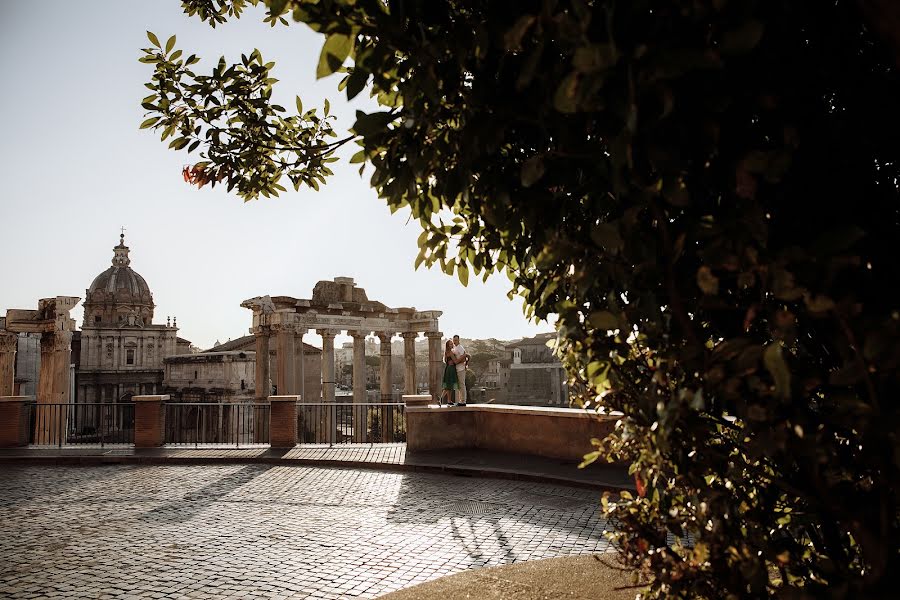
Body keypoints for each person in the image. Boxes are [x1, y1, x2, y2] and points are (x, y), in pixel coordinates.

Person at [439, 339, 461, 406]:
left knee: (449, 386)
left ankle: (447, 400)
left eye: (452, 344)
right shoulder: (450, 352)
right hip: (451, 369)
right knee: (450, 386)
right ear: (448, 346)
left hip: (448, 368)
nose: (452, 345)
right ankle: (441, 399)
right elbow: (455, 361)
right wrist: (464, 357)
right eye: (450, 344)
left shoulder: (446, 352)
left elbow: (446, 361)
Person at [451, 335, 470, 406]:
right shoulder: (455, 348)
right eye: (454, 340)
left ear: (459, 340)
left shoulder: (460, 348)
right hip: (457, 368)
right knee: (459, 385)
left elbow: (465, 358)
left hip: (461, 369)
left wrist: (457, 362)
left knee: (462, 385)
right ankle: (460, 401)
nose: (454, 341)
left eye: (456, 340)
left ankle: (463, 401)